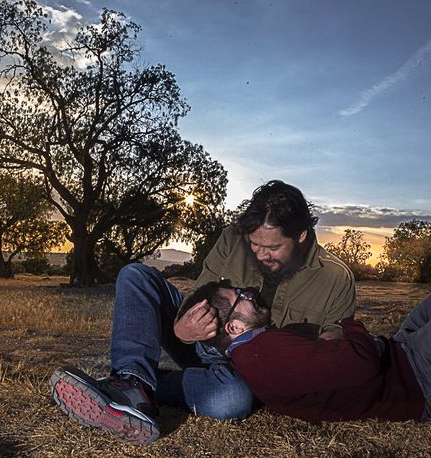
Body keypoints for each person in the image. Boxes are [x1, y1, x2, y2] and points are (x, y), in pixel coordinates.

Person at [50, 180, 356, 444]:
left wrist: (326, 346)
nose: (261, 254)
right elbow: (199, 293)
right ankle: (131, 381)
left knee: (231, 401)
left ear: (301, 235)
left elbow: (339, 342)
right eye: (254, 244)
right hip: (205, 342)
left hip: (251, 372)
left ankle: (141, 385)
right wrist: (182, 329)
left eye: (273, 247)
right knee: (135, 275)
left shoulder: (335, 278)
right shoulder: (232, 238)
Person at [186, 252, 431, 423]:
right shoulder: (267, 352)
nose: (249, 293)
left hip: (401, 356)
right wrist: (348, 323)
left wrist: (335, 340)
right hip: (421, 381)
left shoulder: (257, 351)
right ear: (234, 328)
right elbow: (362, 360)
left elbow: (336, 364)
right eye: (240, 298)